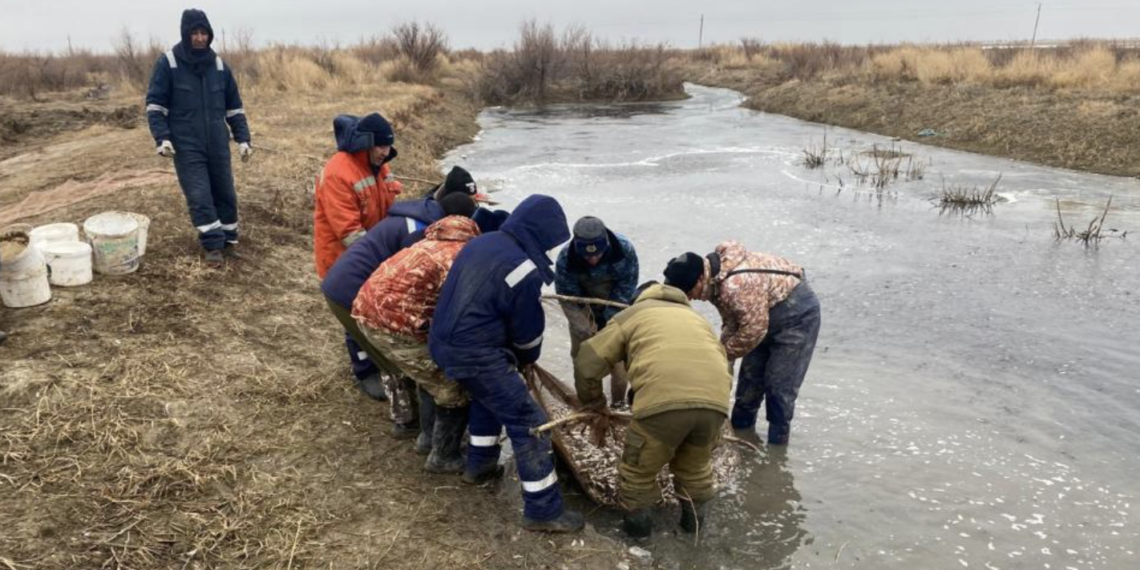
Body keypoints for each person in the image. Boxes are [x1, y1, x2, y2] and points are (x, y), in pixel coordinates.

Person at [429, 194, 584, 533]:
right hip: (476, 354)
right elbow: (527, 335)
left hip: (443, 343)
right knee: (530, 422)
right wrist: (526, 359)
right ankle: (543, 511)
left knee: (488, 398)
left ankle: (479, 464)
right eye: (551, 241)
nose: (551, 249)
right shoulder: (523, 270)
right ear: (540, 232)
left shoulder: (484, 242)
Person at [574, 280, 732, 539]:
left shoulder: (633, 314)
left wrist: (594, 404)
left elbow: (587, 361)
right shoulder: (697, 318)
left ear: (639, 299)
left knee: (637, 473)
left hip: (663, 405)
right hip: (715, 405)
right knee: (695, 469)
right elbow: (723, 365)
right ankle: (692, 536)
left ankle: (640, 543)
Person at [320, 167, 485, 408]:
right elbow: (406, 286)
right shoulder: (419, 230)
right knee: (388, 352)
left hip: (353, 282)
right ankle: (403, 416)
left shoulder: (427, 214)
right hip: (351, 286)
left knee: (379, 337)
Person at [353, 213, 480, 473]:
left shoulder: (424, 244)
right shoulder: (455, 257)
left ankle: (427, 440)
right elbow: (455, 312)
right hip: (393, 327)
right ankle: (443, 456)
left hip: (365, 314)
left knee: (427, 374)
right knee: (451, 388)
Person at [664, 245, 820, 446]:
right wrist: (719, 352)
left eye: (688, 291)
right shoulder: (715, 279)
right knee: (748, 387)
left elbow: (753, 331)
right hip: (761, 315)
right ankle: (742, 443)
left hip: (797, 317)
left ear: (700, 279)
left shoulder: (734, 286)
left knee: (779, 390)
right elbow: (733, 321)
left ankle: (775, 458)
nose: (690, 297)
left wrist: (723, 355)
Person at [145, 9, 252, 267]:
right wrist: (163, 138)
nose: (200, 38)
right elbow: (155, 106)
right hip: (186, 144)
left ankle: (228, 242)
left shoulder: (219, 65)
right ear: (186, 34)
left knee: (225, 193)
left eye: (204, 33)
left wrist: (243, 139)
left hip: (217, 143)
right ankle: (212, 245)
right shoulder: (168, 63)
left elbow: (234, 108)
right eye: (195, 33)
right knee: (200, 195)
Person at [555, 216, 638, 407]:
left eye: (597, 254)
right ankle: (592, 406)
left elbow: (625, 290)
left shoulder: (624, 249)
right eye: (587, 256)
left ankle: (618, 403)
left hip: (615, 305)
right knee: (582, 357)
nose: (592, 259)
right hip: (583, 308)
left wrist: (607, 323)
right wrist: (584, 326)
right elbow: (567, 299)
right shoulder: (566, 258)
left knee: (617, 357)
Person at [313, 112, 404, 279]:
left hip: (370, 254)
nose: (386, 153)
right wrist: (383, 259)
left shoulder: (378, 164)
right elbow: (350, 234)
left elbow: (389, 209)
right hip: (343, 262)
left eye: (388, 146)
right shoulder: (337, 174)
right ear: (366, 144)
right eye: (381, 146)